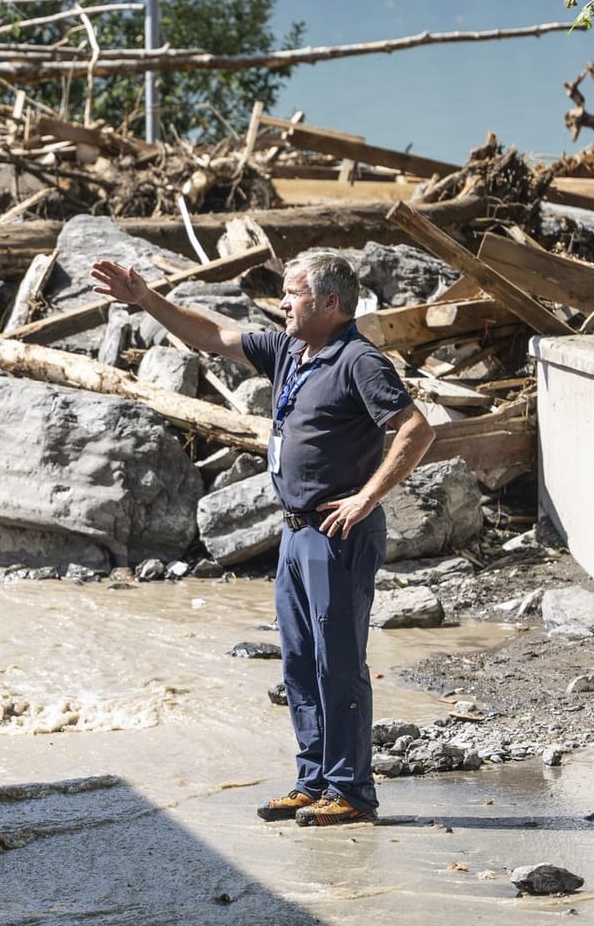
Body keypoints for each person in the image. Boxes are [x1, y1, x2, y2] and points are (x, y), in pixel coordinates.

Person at [90, 249, 435, 827]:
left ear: (330, 303)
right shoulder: (291, 352)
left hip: (337, 533)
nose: (281, 303)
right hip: (295, 532)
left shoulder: (359, 361)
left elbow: (416, 428)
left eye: (292, 293)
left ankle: (351, 793)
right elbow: (217, 335)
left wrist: (366, 497)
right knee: (299, 664)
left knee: (339, 665)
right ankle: (313, 781)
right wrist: (146, 299)